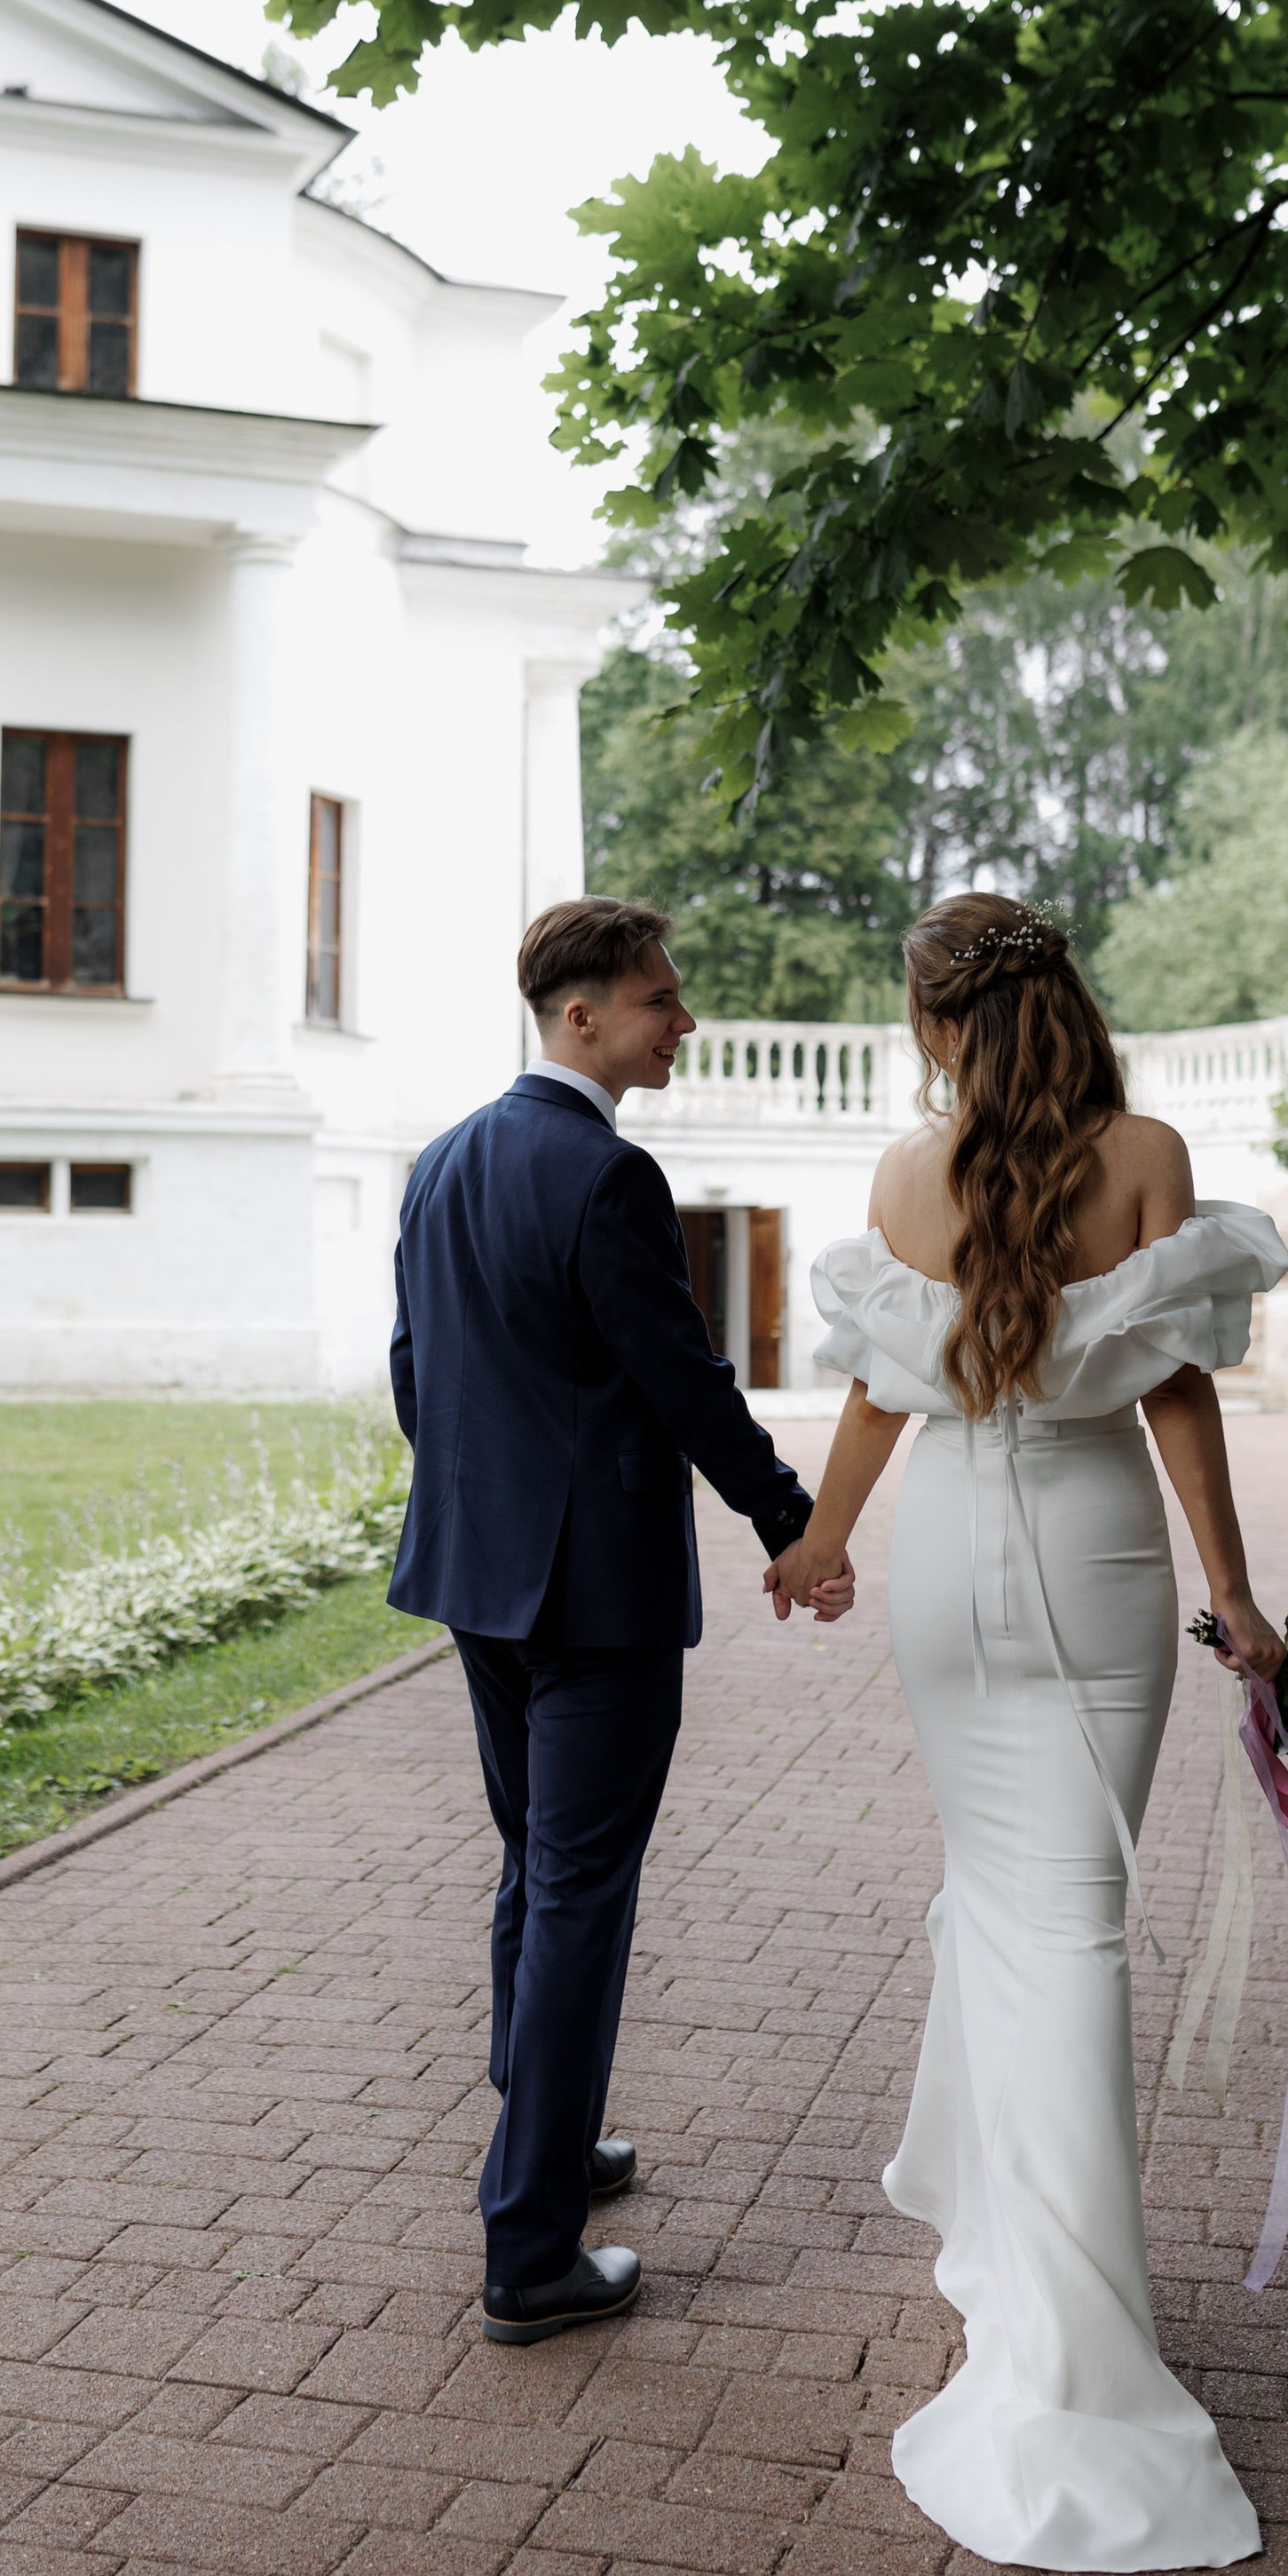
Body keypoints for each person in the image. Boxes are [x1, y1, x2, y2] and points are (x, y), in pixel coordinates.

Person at [778, 892, 1288, 2572]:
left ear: (939, 1024)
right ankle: (1073, 2353)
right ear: (1061, 997)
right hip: (1094, 1564)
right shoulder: (1143, 1150)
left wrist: (826, 1541)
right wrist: (1237, 1596)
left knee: (1005, 1909)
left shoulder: (899, 1178)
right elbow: (1175, 1391)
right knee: (1071, 1934)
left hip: (949, 1568)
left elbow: (874, 1385)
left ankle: (1024, 2260)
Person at [390, 896, 830, 2347]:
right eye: (660, 999)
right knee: (582, 1894)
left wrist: (483, 1507)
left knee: (539, 1869)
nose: (682, 1019)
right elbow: (684, 1380)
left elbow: (417, 1374)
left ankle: (553, 2142)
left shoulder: (440, 1162)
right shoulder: (606, 1176)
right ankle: (530, 2256)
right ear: (582, 1017)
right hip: (594, 1599)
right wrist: (792, 1522)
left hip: (477, 1578)